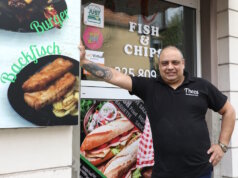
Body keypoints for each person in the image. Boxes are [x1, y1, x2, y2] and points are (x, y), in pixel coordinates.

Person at [79, 41, 236, 178]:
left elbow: (229, 111)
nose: (170, 67)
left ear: (183, 63)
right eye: (164, 63)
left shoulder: (202, 86)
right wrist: (84, 61)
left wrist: (222, 146)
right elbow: (115, 76)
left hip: (199, 171)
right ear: (159, 65)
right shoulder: (150, 87)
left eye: (175, 62)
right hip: (164, 173)